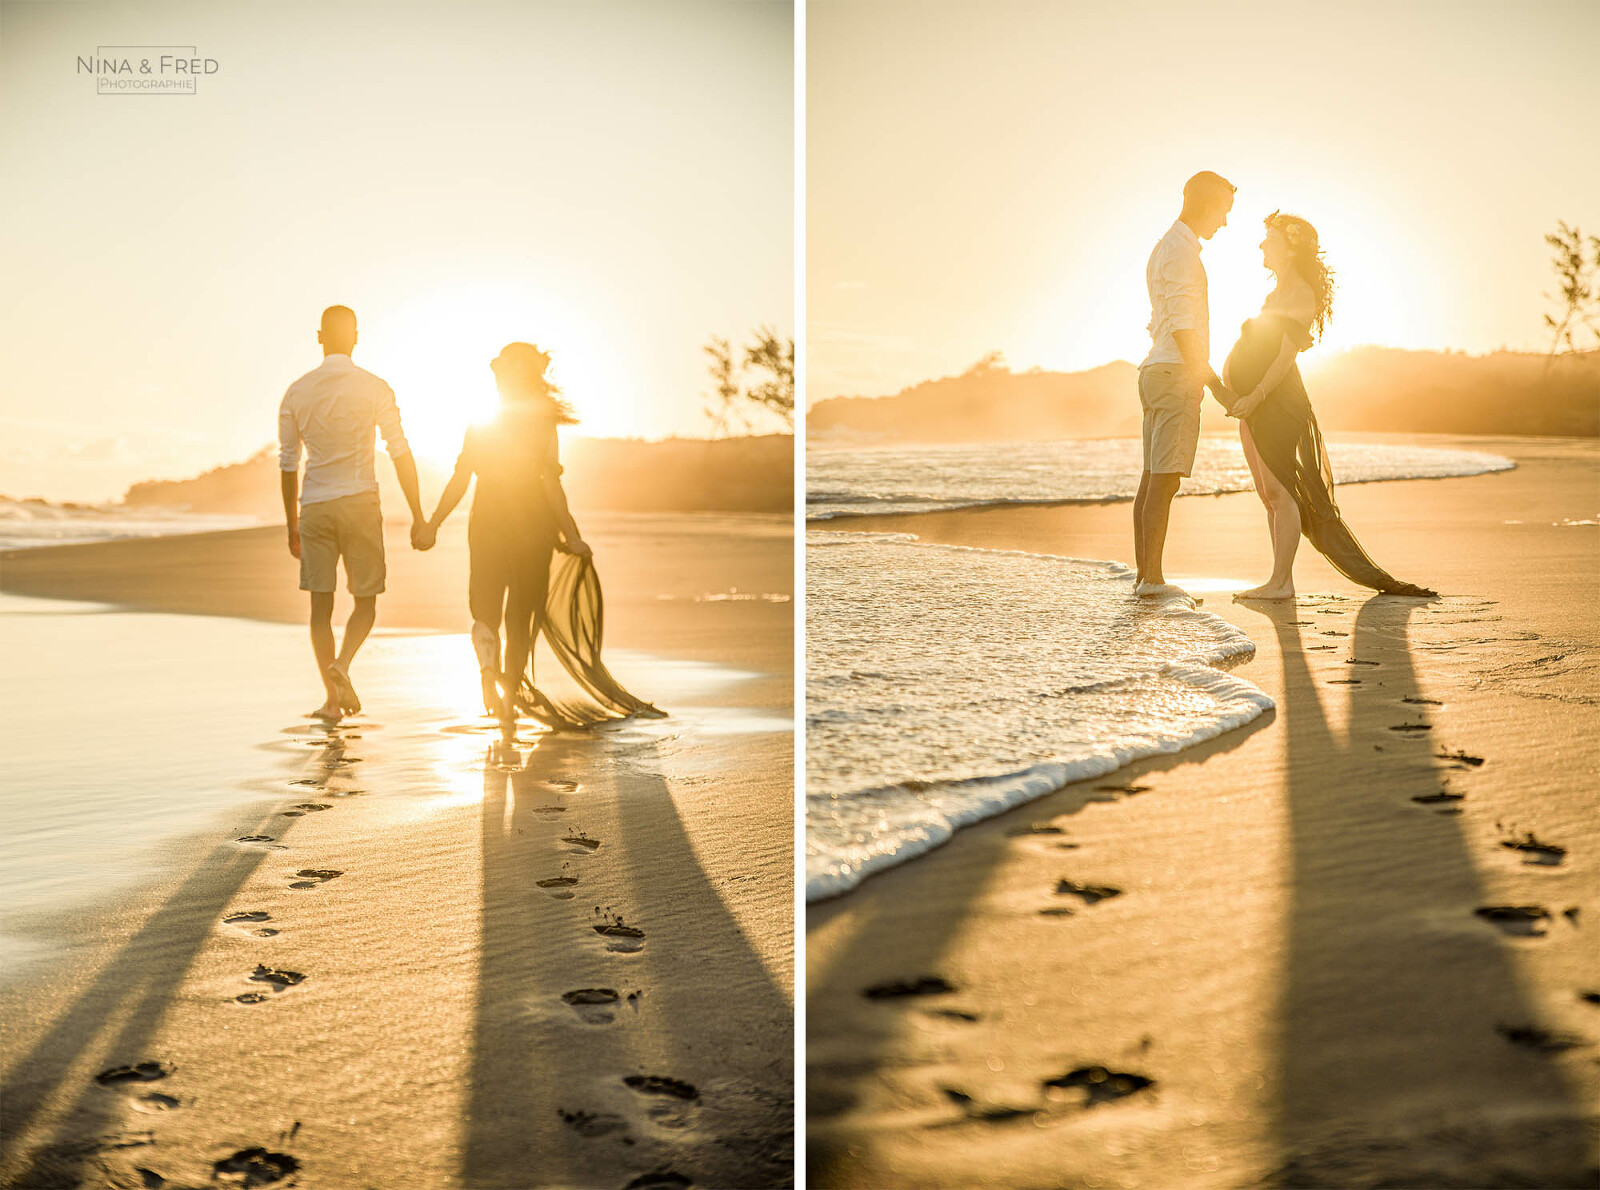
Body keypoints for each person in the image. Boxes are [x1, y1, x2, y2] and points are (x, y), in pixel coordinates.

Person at [415, 342, 658, 729]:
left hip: (489, 525)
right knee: (521, 616)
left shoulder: (481, 422)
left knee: (484, 608)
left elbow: (461, 479)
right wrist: (571, 534)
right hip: (533, 528)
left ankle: (487, 668)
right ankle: (510, 697)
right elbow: (550, 486)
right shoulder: (542, 422)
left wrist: (433, 523)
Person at [1223, 212, 1434, 599]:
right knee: (1268, 493)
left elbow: (1284, 358)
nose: (1261, 245)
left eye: (1269, 239)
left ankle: (1281, 582)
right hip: (1253, 404)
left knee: (1281, 490)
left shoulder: (1302, 292)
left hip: (1276, 403)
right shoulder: (1277, 293)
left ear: (1290, 247)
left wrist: (1255, 396)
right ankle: (1278, 579)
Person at [278, 305, 427, 720]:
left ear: (319, 337)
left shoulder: (296, 391)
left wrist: (292, 525)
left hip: (316, 506)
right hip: (360, 501)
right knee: (365, 602)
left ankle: (330, 701)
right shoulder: (375, 387)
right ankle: (342, 664)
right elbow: (399, 450)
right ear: (356, 337)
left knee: (320, 608)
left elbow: (288, 463)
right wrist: (419, 515)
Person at [1133, 170, 1239, 600]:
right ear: (1204, 204)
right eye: (1223, 212)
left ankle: (1144, 577)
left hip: (1155, 372)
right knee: (1163, 481)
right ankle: (1152, 582)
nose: (1225, 223)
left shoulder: (1165, 246)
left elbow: (1159, 319)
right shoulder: (1181, 252)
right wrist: (1213, 383)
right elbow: (1179, 324)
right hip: (1175, 372)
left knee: (1151, 478)